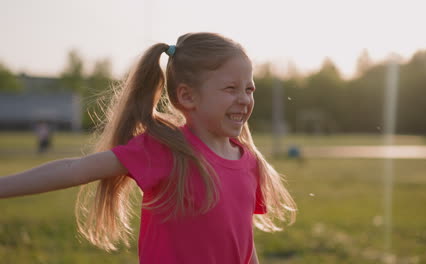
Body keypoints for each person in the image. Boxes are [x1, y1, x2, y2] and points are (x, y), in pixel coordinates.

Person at [0, 32, 296, 264]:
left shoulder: (249, 162)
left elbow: (243, 246)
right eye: (231, 88)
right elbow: (74, 170)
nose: (244, 98)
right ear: (187, 96)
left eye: (249, 88)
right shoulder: (165, 151)